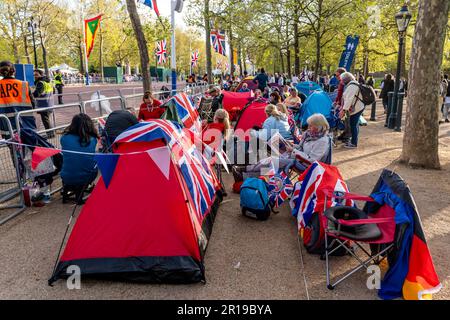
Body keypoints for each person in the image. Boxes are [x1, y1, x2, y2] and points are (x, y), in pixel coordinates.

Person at [235, 114, 331, 178]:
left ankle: (245, 171)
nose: (309, 128)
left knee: (274, 162)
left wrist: (293, 151)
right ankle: (245, 172)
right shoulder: (309, 134)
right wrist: (291, 146)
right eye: (309, 126)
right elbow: (300, 147)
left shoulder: (322, 141)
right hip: (297, 158)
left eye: (311, 126)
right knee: (273, 162)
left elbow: (312, 160)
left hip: (306, 165)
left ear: (319, 126)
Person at [60, 114, 98, 204]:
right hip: (87, 175)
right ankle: (87, 185)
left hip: (66, 176)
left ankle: (74, 187)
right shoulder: (92, 139)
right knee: (94, 164)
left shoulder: (64, 138)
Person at [0, 60, 36, 138]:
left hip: (5, 122)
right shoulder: (23, 84)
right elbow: (33, 103)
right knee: (27, 145)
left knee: (12, 145)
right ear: (14, 71)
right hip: (24, 121)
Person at [339, 72, 366, 149]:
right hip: (357, 107)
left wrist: (343, 111)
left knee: (353, 125)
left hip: (357, 108)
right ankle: (353, 141)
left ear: (345, 79)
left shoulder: (352, 86)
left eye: (341, 80)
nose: (341, 82)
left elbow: (349, 100)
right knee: (354, 124)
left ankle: (354, 143)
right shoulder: (352, 85)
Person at [33, 69, 55, 137]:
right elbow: (53, 91)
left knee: (46, 120)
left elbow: (36, 94)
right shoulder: (48, 82)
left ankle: (50, 134)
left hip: (44, 105)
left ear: (41, 75)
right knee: (47, 119)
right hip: (49, 103)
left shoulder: (40, 83)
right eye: (34, 75)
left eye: (36, 75)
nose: (35, 76)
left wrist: (30, 94)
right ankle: (51, 133)